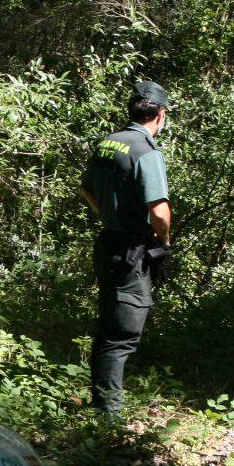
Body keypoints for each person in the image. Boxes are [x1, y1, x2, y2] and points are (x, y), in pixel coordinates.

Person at [79, 81, 173, 418]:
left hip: (108, 245)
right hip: (133, 250)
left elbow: (86, 189)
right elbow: (159, 210)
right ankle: (109, 416)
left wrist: (110, 215)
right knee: (123, 335)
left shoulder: (109, 143)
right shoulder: (146, 152)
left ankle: (100, 404)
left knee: (108, 327)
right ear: (159, 115)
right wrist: (162, 243)